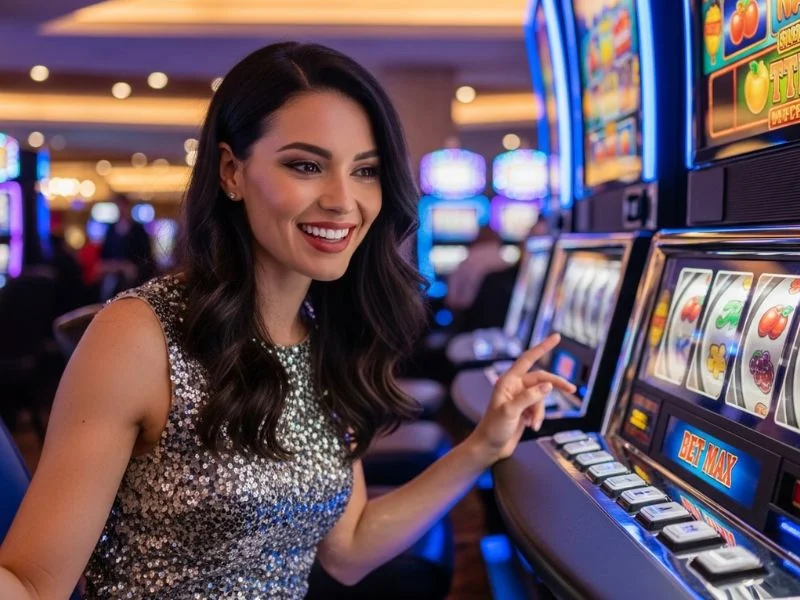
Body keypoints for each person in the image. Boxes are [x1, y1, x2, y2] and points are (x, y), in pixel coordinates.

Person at [0, 42, 574, 599]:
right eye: (306, 165)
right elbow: (31, 583)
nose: (343, 200)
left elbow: (346, 551)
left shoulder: (321, 335)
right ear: (230, 171)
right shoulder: (139, 335)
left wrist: (480, 445)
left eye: (366, 171)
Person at [99, 194, 156, 296]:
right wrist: (113, 266)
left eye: (122, 206)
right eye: (117, 206)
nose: (120, 209)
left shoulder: (138, 230)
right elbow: (104, 255)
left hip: (134, 278)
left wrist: (131, 267)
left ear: (128, 207)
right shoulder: (110, 229)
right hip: (112, 276)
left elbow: (147, 256)